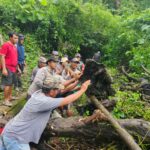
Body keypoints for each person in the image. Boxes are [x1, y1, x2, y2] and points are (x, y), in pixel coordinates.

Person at [0, 79, 91, 150]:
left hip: (8, 132)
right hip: (17, 139)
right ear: (51, 91)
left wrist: (77, 81)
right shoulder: (45, 101)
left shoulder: (39, 94)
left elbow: (62, 91)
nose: (58, 91)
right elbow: (68, 100)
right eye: (56, 90)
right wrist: (83, 89)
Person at [0, 32, 18, 107]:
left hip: (13, 68)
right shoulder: (6, 45)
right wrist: (4, 68)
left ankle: (9, 97)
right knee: (7, 84)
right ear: (10, 37)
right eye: (15, 38)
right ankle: (6, 100)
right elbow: (2, 56)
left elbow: (14, 57)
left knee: (11, 83)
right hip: (7, 67)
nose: (16, 40)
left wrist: (17, 67)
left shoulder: (14, 46)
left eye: (17, 38)